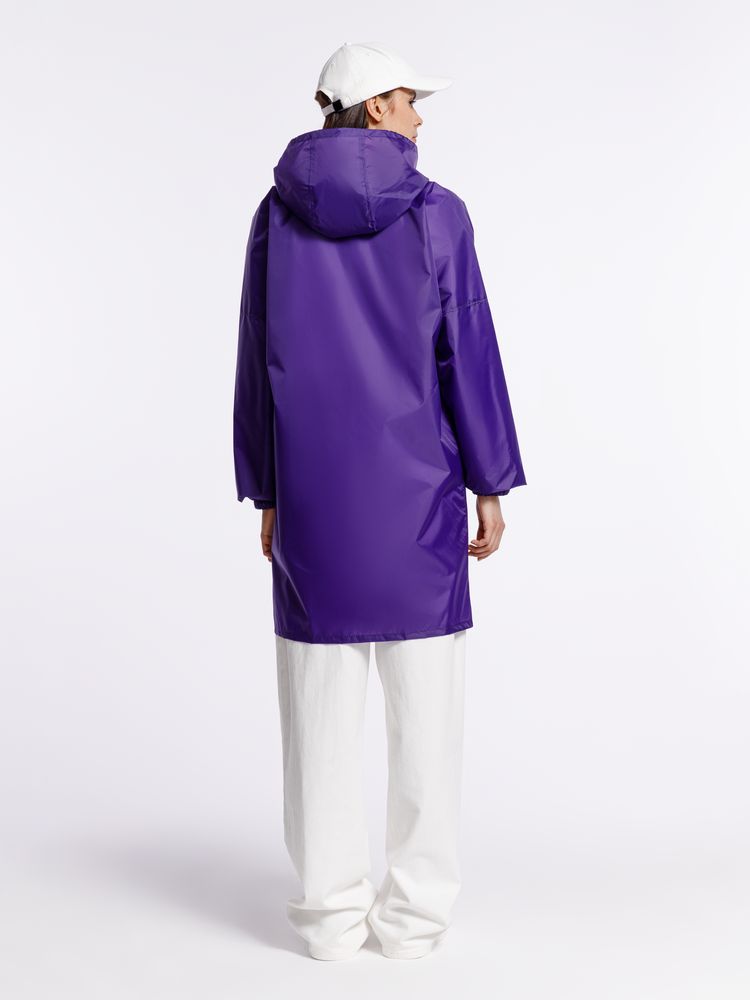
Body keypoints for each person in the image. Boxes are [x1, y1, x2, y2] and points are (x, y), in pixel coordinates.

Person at [233, 41, 527, 961]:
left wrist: (266, 488)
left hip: (315, 507)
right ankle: (413, 923)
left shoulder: (275, 217)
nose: (420, 118)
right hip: (420, 509)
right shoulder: (438, 214)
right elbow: (467, 351)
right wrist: (489, 479)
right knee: (427, 729)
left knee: (318, 729)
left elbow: (257, 358)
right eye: (409, 101)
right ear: (374, 109)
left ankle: (327, 922)